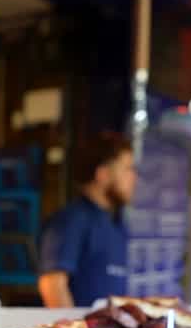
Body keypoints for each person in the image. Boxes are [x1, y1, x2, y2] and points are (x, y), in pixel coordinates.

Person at [37, 132, 135, 307]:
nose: (133, 177)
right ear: (103, 174)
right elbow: (52, 284)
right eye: (127, 168)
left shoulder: (117, 222)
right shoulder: (72, 220)